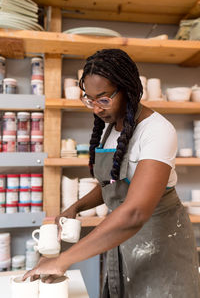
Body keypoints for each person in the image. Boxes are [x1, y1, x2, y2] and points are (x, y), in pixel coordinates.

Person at [23, 49, 200, 297]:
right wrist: (76, 207)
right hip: (122, 241)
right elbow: (112, 183)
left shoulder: (157, 131)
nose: (96, 109)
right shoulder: (112, 127)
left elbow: (135, 212)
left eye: (103, 99)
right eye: (89, 99)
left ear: (127, 90)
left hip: (160, 246)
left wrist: (63, 260)